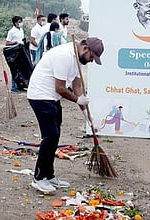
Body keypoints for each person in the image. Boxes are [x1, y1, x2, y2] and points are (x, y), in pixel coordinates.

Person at [27, 37, 104, 193]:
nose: (90, 61)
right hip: (41, 96)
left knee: (55, 136)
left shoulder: (77, 58)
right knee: (50, 136)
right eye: (91, 57)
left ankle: (49, 175)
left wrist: (85, 112)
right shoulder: (64, 55)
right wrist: (77, 99)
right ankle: (39, 178)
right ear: (85, 49)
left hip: (51, 98)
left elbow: (77, 84)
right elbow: (60, 88)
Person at [4, 15, 27, 92]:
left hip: (21, 51)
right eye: (19, 22)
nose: (20, 23)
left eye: (21, 22)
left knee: (21, 69)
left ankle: (20, 85)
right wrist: (15, 42)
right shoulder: (11, 31)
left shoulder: (21, 30)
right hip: (14, 52)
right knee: (15, 69)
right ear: (15, 23)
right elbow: (7, 42)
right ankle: (14, 87)